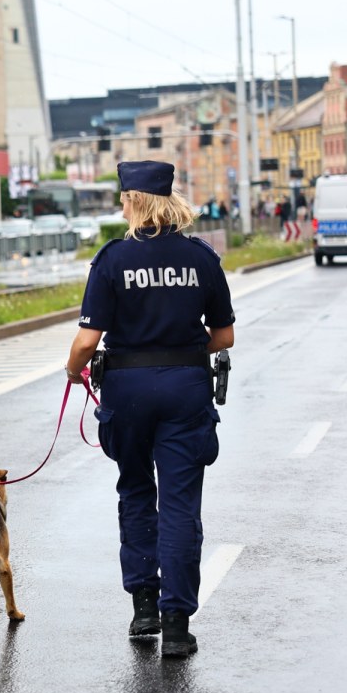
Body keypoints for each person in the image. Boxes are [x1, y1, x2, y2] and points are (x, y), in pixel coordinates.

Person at [64, 160, 234, 659]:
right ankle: (177, 626)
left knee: (136, 491)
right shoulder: (201, 258)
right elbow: (224, 335)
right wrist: (181, 352)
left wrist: (73, 371)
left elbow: (87, 340)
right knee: (180, 504)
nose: (121, 208)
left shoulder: (113, 259)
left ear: (135, 201)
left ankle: (144, 609)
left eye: (123, 199)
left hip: (128, 391)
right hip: (186, 389)